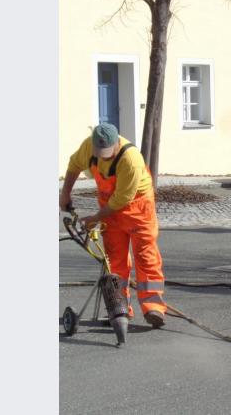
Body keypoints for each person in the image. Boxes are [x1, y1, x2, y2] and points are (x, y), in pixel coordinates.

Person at [59, 123, 167, 327]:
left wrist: (95, 218)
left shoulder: (131, 159)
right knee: (114, 261)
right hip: (109, 208)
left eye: (108, 154)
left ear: (117, 143)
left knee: (146, 256)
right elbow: (74, 165)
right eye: (101, 154)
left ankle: (154, 308)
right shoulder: (88, 148)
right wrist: (65, 193)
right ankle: (119, 308)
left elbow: (122, 199)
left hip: (138, 207)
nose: (104, 158)